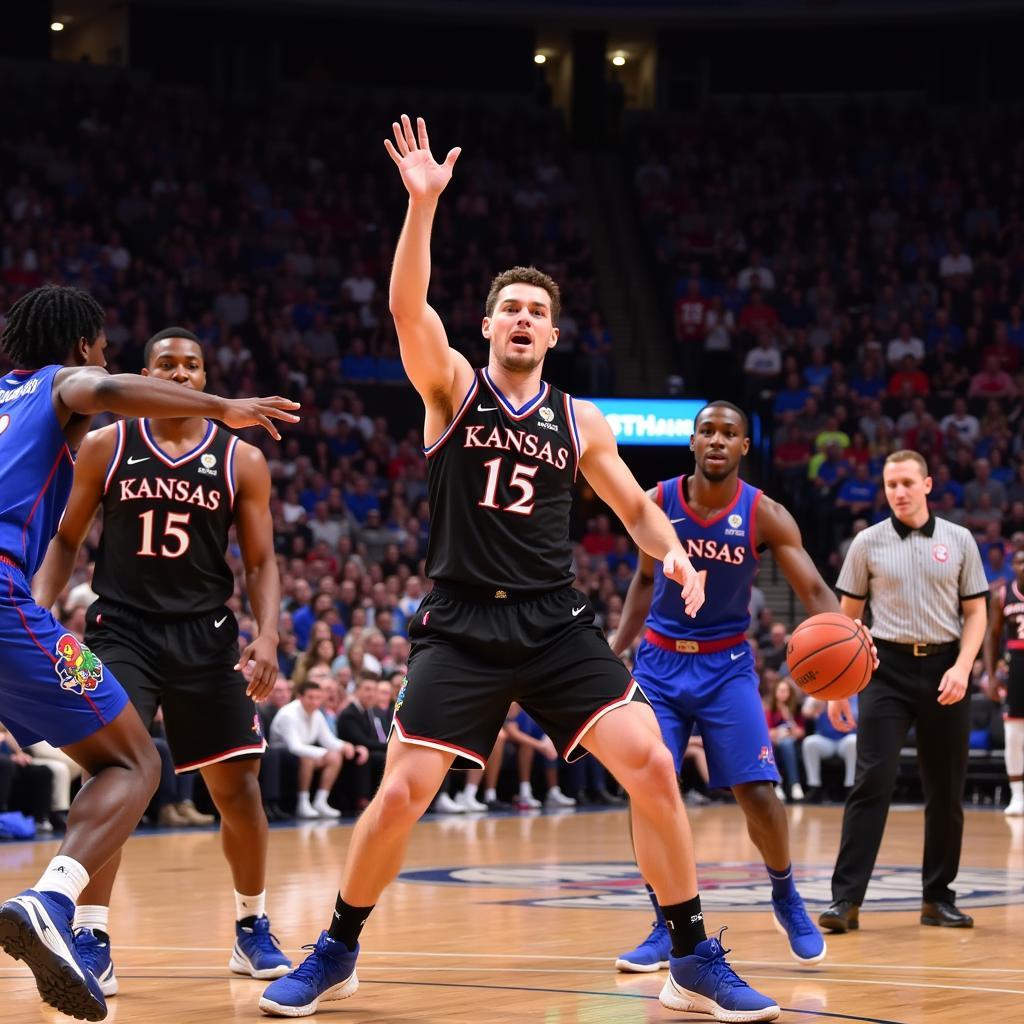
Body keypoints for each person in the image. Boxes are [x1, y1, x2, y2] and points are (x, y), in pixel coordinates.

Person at [258, 115, 778, 1022]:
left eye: (539, 311)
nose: (525, 320)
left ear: (554, 331)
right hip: (459, 620)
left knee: (652, 765)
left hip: (552, 621)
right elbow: (405, 309)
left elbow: (632, 505)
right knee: (400, 795)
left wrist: (679, 557)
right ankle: (337, 947)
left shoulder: (579, 421)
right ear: (490, 324)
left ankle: (691, 953)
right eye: (511, 309)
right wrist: (422, 208)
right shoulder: (451, 387)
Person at [0, 284, 297, 1021]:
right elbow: (93, 397)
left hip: (204, 633)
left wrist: (266, 635)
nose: (177, 376)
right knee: (132, 764)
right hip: (113, 625)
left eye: (192, 368)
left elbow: (262, 562)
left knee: (234, 786)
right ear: (87, 349)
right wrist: (225, 404)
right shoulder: (87, 412)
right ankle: (71, 917)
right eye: (158, 364)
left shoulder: (237, 462)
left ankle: (251, 923)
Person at [612, 400, 874, 971]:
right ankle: (664, 922)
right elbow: (642, 580)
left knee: (758, 793)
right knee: (650, 792)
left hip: (726, 666)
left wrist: (843, 682)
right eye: (707, 430)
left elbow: (817, 596)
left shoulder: (766, 514)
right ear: (692, 440)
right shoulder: (658, 500)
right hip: (657, 663)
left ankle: (786, 896)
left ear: (744, 447)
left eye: (729, 432)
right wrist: (613, 652)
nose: (716, 440)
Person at [821, 449, 988, 933]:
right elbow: (845, 620)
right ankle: (845, 901)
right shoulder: (866, 542)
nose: (899, 492)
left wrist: (962, 666)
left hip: (945, 669)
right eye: (891, 484)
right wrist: (837, 691)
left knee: (946, 790)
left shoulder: (959, 540)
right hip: (885, 669)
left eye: (908, 483)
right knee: (872, 781)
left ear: (927, 485)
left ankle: (938, 898)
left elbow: (976, 613)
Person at [269, 681, 368, 818]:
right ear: (300, 697)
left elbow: (328, 740)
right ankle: (302, 803)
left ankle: (320, 801)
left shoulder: (317, 714)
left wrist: (345, 746)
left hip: (302, 754)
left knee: (334, 756)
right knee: (308, 757)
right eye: (310, 697)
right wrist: (322, 753)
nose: (315, 702)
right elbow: (294, 746)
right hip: (282, 755)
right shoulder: (288, 714)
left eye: (318, 698)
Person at [983, 548, 1024, 816]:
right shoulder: (1002, 594)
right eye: (1020, 561)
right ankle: (1017, 796)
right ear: (1013, 566)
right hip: (1016, 666)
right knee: (1013, 734)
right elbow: (991, 634)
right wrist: (992, 673)